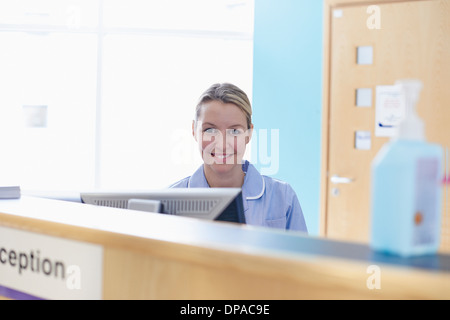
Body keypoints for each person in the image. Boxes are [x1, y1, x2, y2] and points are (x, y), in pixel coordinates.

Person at [170, 83, 307, 233]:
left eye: (234, 131)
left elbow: (301, 257)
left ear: (248, 134)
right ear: (194, 131)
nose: (222, 144)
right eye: (210, 130)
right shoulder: (169, 202)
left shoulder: (283, 198)